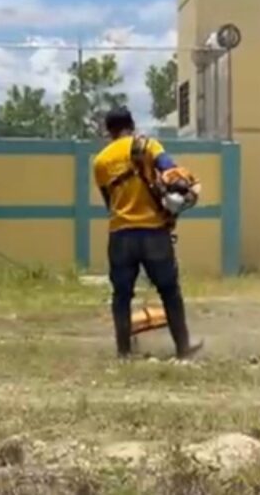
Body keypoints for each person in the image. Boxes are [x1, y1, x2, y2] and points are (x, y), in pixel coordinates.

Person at [93, 107, 203, 360]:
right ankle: (183, 347)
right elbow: (170, 169)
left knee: (121, 295)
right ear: (131, 124)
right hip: (153, 232)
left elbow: (109, 202)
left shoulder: (100, 162)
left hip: (120, 234)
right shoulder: (147, 146)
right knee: (169, 291)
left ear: (108, 131)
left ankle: (123, 352)